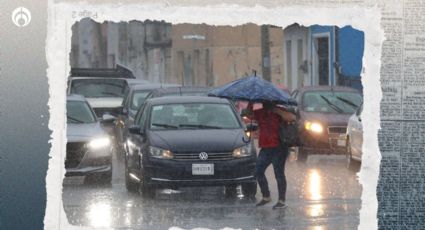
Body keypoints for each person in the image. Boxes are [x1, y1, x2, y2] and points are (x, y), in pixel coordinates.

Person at [246, 101, 296, 209]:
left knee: (279, 174)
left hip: (279, 147)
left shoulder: (278, 109)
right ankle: (266, 196)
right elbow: (249, 115)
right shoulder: (260, 111)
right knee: (258, 171)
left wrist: (275, 109)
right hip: (265, 148)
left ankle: (281, 201)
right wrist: (251, 103)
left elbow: (292, 118)